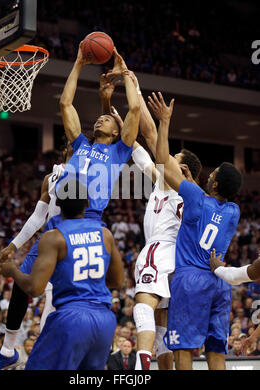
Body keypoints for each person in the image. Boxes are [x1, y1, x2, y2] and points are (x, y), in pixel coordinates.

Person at [111, 72, 201, 370]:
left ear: (182, 168)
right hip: (178, 259)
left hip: (160, 250)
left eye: (173, 157)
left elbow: (151, 136)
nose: (166, 157)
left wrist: (133, 88)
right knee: (161, 321)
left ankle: (140, 368)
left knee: (142, 304)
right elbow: (142, 156)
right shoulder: (178, 188)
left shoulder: (177, 184)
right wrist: (126, 128)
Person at [149, 91, 242, 370]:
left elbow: (163, 160)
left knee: (183, 350)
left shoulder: (194, 196)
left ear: (213, 185)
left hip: (190, 280)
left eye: (212, 175)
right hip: (218, 283)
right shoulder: (234, 211)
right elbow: (211, 205)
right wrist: (197, 187)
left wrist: (164, 121)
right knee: (216, 351)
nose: (209, 174)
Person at [0, 180, 124, 370]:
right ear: (88, 203)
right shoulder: (105, 234)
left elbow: (34, 288)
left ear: (57, 204)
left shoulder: (54, 237)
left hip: (72, 317)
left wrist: (13, 271)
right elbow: (118, 280)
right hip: (104, 320)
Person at [0, 146, 71, 370]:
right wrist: (13, 245)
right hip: (48, 237)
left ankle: (45, 361)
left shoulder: (91, 173)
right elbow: (38, 216)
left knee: (53, 309)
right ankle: (7, 350)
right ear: (66, 148)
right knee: (21, 285)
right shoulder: (50, 177)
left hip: (72, 240)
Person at [57, 45, 140, 221]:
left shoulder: (119, 152)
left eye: (107, 119)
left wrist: (125, 73)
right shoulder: (81, 144)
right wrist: (78, 64)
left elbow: (134, 109)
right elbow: (65, 104)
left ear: (116, 132)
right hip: (62, 213)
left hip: (89, 217)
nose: (100, 120)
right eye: (98, 119)